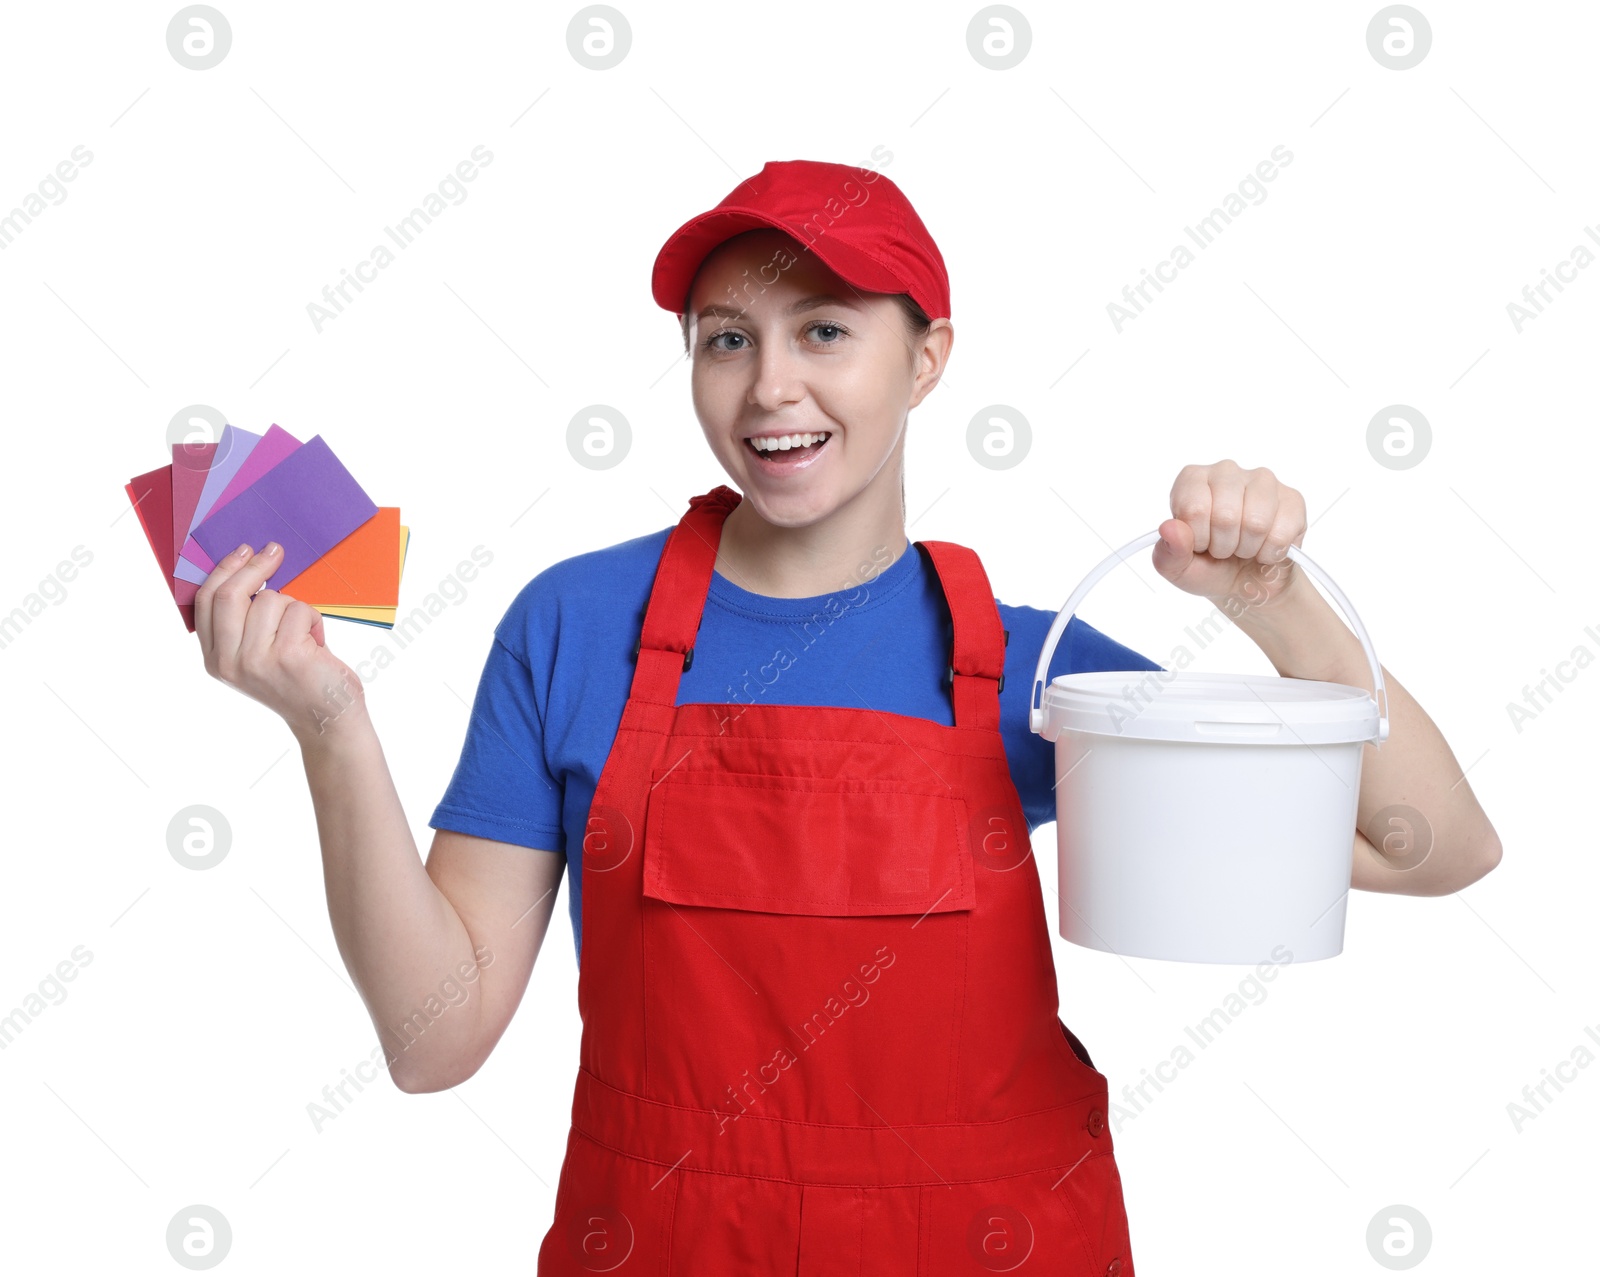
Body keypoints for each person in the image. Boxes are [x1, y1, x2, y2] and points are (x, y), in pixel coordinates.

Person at [194, 159, 1501, 1276]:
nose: (770, 386)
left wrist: (1272, 602)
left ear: (927, 359)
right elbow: (438, 1038)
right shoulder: (574, 626)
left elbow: (1427, 845)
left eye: (825, 330)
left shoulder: (1033, 668)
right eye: (727, 336)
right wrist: (329, 729)